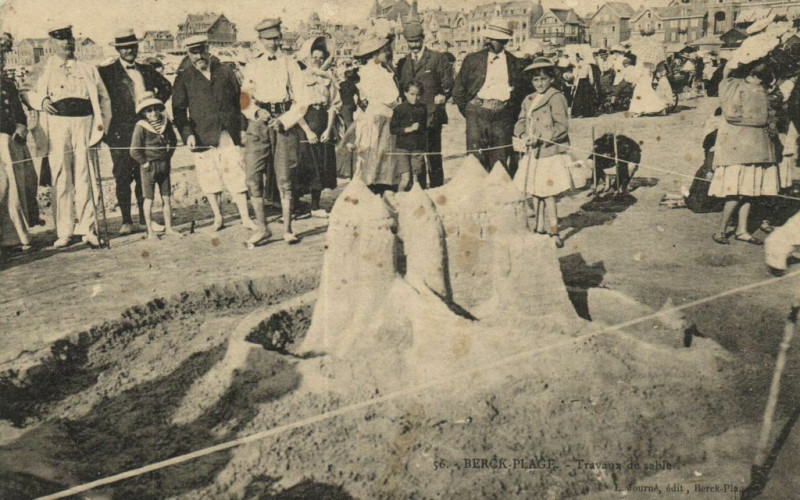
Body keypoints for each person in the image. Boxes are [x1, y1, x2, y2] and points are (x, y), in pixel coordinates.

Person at [25, 24, 111, 248]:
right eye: (61, 39)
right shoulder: (43, 67)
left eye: (69, 39)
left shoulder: (87, 68)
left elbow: (104, 99)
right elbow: (25, 91)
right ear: (52, 43)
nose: (67, 43)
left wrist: (101, 129)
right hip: (56, 125)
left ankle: (88, 228)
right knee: (61, 177)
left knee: (85, 176)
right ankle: (64, 231)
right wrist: (41, 101)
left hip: (84, 123)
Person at [172, 35, 254, 234]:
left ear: (208, 49)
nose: (199, 56)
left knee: (236, 173)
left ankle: (245, 218)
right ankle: (218, 218)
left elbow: (241, 101)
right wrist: (188, 134)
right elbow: (179, 111)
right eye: (193, 52)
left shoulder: (225, 72)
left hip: (228, 133)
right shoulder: (184, 78)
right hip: (201, 135)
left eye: (201, 51)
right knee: (209, 177)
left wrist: (242, 128)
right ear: (188, 54)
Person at [98, 29, 172, 236]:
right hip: (119, 133)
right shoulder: (106, 73)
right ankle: (126, 221)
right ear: (118, 50)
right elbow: (98, 99)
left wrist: (153, 106)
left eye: (132, 46)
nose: (129, 50)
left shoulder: (146, 70)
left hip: (145, 131)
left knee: (143, 174)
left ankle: (144, 219)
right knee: (122, 175)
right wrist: (104, 128)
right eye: (124, 48)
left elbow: (166, 87)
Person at [240, 19, 305, 246]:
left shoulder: (290, 63)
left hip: (283, 123)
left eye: (276, 38)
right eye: (268, 39)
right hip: (259, 124)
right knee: (252, 176)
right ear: (260, 40)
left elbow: (303, 100)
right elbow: (244, 98)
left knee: (285, 178)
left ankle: (287, 229)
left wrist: (285, 121)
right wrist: (256, 112)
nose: (273, 43)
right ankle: (262, 228)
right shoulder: (253, 64)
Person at [709, 59, 780, 245]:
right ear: (753, 75)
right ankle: (721, 230)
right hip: (739, 147)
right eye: (760, 79)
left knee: (750, 191)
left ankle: (742, 230)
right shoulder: (734, 86)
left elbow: (770, 112)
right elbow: (732, 115)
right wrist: (763, 120)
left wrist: (770, 120)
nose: (761, 83)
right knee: (734, 193)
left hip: (758, 148)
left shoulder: (761, 89)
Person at [512, 58, 573, 248]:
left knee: (548, 193)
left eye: (543, 79)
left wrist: (541, 138)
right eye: (536, 80)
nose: (539, 84)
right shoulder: (529, 99)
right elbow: (521, 121)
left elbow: (562, 126)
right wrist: (523, 134)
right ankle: (539, 228)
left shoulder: (556, 97)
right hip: (533, 152)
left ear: (551, 79)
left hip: (549, 152)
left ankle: (554, 231)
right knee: (535, 191)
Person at [453, 24, 529, 174]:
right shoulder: (472, 59)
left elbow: (521, 94)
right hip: (477, 113)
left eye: (494, 39)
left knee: (500, 160)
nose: (488, 41)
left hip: (502, 115)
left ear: (504, 42)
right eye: (488, 37)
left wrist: (509, 113)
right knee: (476, 160)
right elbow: (458, 89)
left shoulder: (515, 63)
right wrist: (469, 111)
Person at [396, 22, 453, 188]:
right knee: (416, 156)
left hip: (432, 115)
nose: (414, 45)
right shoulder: (403, 63)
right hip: (411, 118)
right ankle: (418, 189)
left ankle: (436, 188)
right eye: (410, 42)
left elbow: (448, 83)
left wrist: (443, 96)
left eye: (417, 41)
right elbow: (401, 89)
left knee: (433, 155)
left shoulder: (437, 58)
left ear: (423, 38)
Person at [295, 36, 341, 219]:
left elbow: (333, 105)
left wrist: (329, 129)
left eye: (321, 58)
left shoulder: (328, 78)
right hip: (306, 120)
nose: (317, 61)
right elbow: (296, 107)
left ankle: (315, 205)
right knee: (304, 162)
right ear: (308, 57)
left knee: (321, 163)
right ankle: (297, 205)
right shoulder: (300, 77)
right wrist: (307, 130)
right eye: (314, 57)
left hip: (323, 120)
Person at [350, 34, 401, 194]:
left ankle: (374, 182)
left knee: (375, 149)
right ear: (376, 54)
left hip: (374, 112)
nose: (387, 54)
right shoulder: (376, 72)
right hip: (381, 112)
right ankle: (378, 184)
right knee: (380, 149)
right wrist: (398, 105)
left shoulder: (370, 70)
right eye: (384, 51)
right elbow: (390, 97)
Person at [0, 32, 37, 251]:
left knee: (19, 186)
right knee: (3, 188)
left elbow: (17, 110)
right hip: (2, 139)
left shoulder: (7, 83)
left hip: (12, 141)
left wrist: (21, 125)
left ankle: (16, 236)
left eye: (2, 56)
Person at [129, 92, 179, 239]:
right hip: (149, 168)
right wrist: (144, 163)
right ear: (143, 113)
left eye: (155, 109)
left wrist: (168, 156)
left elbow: (174, 141)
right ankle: (150, 231)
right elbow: (134, 150)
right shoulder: (141, 126)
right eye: (149, 110)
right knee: (149, 199)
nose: (153, 113)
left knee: (166, 198)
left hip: (164, 165)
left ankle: (169, 228)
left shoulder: (165, 123)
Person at [390, 80, 427, 191]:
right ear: (405, 93)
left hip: (417, 148)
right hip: (403, 147)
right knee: (405, 179)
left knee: (416, 180)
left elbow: (424, 128)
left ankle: (414, 199)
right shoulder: (399, 109)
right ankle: (398, 198)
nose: (415, 98)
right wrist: (408, 129)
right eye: (412, 94)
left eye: (418, 95)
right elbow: (393, 129)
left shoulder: (422, 108)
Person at [570, 53, 595, 118]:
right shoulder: (588, 65)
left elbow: (575, 75)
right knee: (587, 97)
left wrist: (574, 84)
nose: (576, 59)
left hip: (580, 82)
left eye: (576, 57)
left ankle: (578, 113)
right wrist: (591, 84)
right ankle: (588, 113)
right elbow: (591, 77)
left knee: (579, 97)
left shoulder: (578, 65)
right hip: (586, 82)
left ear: (579, 57)